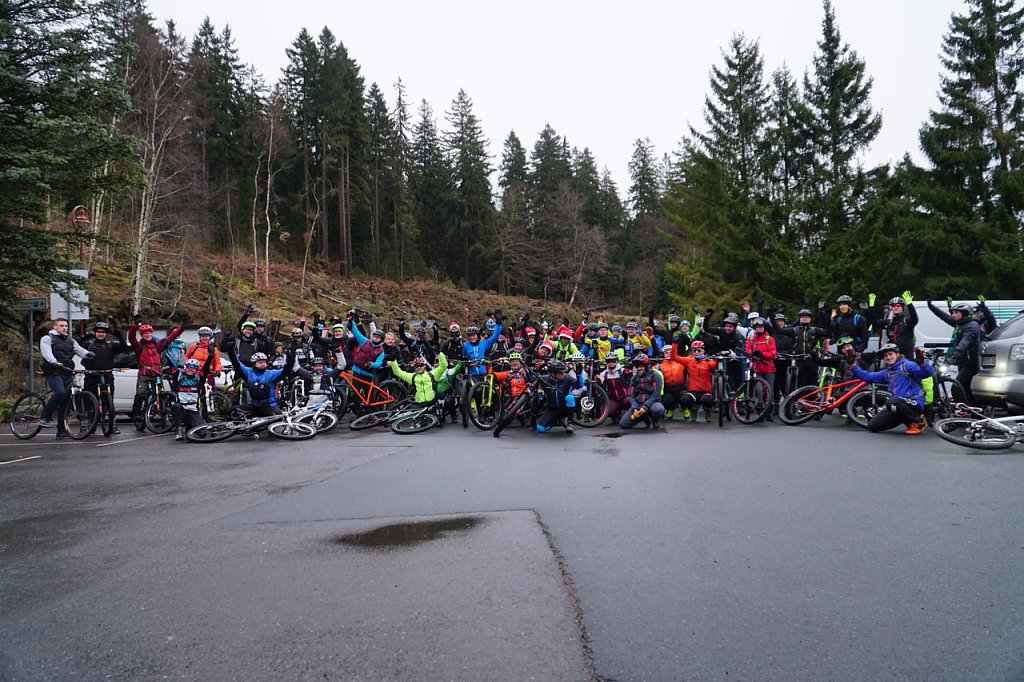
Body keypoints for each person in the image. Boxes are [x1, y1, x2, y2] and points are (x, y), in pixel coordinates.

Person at [850, 343, 934, 435]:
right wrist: (853, 365)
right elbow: (868, 376)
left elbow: (928, 373)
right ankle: (906, 419)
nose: (888, 357)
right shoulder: (888, 372)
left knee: (891, 402)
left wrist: (922, 364)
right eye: (885, 356)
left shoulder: (907, 365)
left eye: (890, 354)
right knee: (872, 426)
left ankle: (918, 422)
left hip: (914, 402)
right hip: (897, 405)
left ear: (897, 354)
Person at [38, 318, 95, 438]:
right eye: (61, 325)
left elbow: (79, 350)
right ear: (54, 327)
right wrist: (54, 361)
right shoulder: (47, 338)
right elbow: (47, 353)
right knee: (60, 392)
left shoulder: (70, 340)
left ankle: (61, 430)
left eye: (66, 326)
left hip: (67, 371)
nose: (64, 328)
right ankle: (44, 417)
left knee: (65, 401)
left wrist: (88, 354)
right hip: (53, 371)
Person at [129, 315, 186, 425]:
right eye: (145, 334)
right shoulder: (139, 345)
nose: (147, 335)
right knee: (141, 393)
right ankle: (136, 414)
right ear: (142, 335)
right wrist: (134, 326)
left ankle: (162, 415)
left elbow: (171, 337)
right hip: (144, 373)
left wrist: (182, 327)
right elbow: (131, 338)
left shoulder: (158, 344)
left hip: (157, 373)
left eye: (149, 333)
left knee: (160, 394)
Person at [927, 299, 983, 404]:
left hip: (971, 363)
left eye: (956, 312)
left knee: (956, 388)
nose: (953, 315)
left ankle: (964, 409)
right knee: (966, 389)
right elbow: (944, 316)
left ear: (964, 314)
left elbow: (966, 340)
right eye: (953, 312)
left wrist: (958, 351)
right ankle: (973, 409)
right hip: (962, 362)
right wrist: (931, 306)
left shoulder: (972, 325)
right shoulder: (959, 323)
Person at [80, 321, 127, 434]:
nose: (101, 334)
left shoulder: (111, 345)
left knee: (109, 401)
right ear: (95, 333)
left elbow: (124, 348)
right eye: (98, 332)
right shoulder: (89, 345)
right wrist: (85, 337)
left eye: (103, 332)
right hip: (91, 375)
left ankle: (113, 424)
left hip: (106, 375)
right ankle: (87, 424)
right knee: (89, 401)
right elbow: (76, 345)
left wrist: (117, 334)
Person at [390, 354, 452, 421]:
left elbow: (444, 366)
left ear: (424, 366)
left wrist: (439, 354)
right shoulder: (412, 377)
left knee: (449, 400)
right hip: (420, 405)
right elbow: (398, 372)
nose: (419, 367)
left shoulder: (432, 374)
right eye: (417, 366)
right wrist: (393, 361)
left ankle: (450, 415)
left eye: (421, 365)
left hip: (433, 402)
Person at [777, 309, 829, 388]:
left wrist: (823, 315)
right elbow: (780, 331)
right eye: (802, 317)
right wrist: (772, 316)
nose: (804, 318)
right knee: (801, 382)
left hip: (812, 360)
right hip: (799, 360)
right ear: (800, 319)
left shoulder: (814, 330)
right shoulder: (795, 330)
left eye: (807, 317)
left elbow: (827, 332)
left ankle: (813, 396)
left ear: (810, 319)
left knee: (812, 382)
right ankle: (801, 396)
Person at [170, 355, 216, 441]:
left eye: (193, 367)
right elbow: (172, 364)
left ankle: (190, 426)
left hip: (193, 411)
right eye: (188, 367)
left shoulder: (199, 380)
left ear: (196, 369)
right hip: (181, 410)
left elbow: (205, 369)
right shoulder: (179, 378)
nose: (190, 369)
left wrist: (210, 356)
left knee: (202, 433)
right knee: (177, 406)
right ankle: (179, 431)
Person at [620, 354, 665, 429]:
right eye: (637, 367)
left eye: (641, 366)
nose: (639, 369)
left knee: (659, 409)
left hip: (652, 403)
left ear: (646, 366)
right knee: (623, 424)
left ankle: (655, 420)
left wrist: (645, 406)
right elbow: (631, 395)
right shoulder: (634, 378)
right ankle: (645, 418)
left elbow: (656, 394)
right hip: (639, 404)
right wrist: (634, 406)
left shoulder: (655, 375)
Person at [745, 316, 777, 420]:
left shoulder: (769, 339)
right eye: (757, 327)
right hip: (756, 368)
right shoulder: (751, 338)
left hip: (768, 368)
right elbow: (747, 351)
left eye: (761, 327)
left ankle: (768, 412)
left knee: (769, 390)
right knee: (758, 390)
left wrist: (762, 354)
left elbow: (772, 354)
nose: (759, 329)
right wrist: (752, 354)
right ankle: (760, 410)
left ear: (764, 328)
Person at [677, 340, 717, 422]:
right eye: (694, 351)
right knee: (684, 399)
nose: (696, 352)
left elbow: (715, 365)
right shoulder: (688, 361)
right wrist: (675, 344)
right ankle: (693, 409)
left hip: (705, 392)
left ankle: (708, 410)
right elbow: (674, 357)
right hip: (693, 392)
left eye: (699, 350)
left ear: (703, 351)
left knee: (708, 400)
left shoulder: (708, 362)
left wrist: (717, 359)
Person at [534, 359, 576, 434]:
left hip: (564, 407)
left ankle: (570, 422)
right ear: (553, 373)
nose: (563, 374)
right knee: (540, 428)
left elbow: (579, 385)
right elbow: (532, 380)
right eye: (560, 373)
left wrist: (579, 374)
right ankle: (556, 421)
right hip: (552, 409)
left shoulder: (567, 377)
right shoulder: (545, 379)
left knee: (570, 398)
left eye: (563, 372)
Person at [878, 291, 918, 357]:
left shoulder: (906, 320)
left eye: (898, 306)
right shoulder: (889, 321)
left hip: (906, 354)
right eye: (893, 306)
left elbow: (914, 319)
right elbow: (874, 322)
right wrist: (870, 308)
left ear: (903, 308)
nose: (896, 307)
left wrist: (910, 305)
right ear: (891, 307)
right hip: (893, 353)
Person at [596, 354, 630, 421]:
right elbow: (601, 387)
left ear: (617, 361)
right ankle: (615, 415)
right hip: (613, 399)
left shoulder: (623, 371)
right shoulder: (604, 374)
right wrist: (598, 378)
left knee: (630, 402)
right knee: (606, 411)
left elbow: (634, 376)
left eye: (613, 361)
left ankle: (629, 415)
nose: (611, 363)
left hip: (625, 397)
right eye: (609, 361)